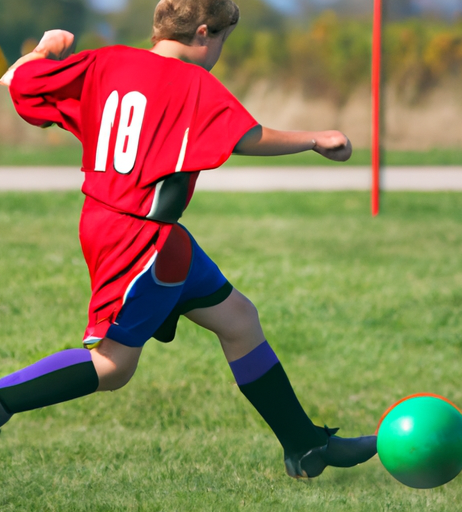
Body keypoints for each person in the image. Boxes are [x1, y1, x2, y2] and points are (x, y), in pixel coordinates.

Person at [0, 0, 376, 479]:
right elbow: (246, 136)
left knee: (239, 319)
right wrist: (316, 139)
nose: (219, 50)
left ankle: (304, 447)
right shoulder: (193, 82)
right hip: (138, 237)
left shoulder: (107, 60)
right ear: (203, 33)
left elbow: (17, 81)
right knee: (113, 367)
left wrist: (45, 49)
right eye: (222, 39)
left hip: (144, 232)